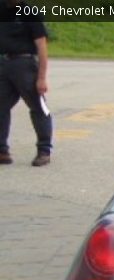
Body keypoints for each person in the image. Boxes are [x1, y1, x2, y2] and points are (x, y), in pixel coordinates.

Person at [0, 0, 52, 166]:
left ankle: (44, 151)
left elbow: (42, 46)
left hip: (25, 64)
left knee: (37, 107)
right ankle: (2, 151)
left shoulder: (30, 12)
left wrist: (42, 77)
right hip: (4, 63)